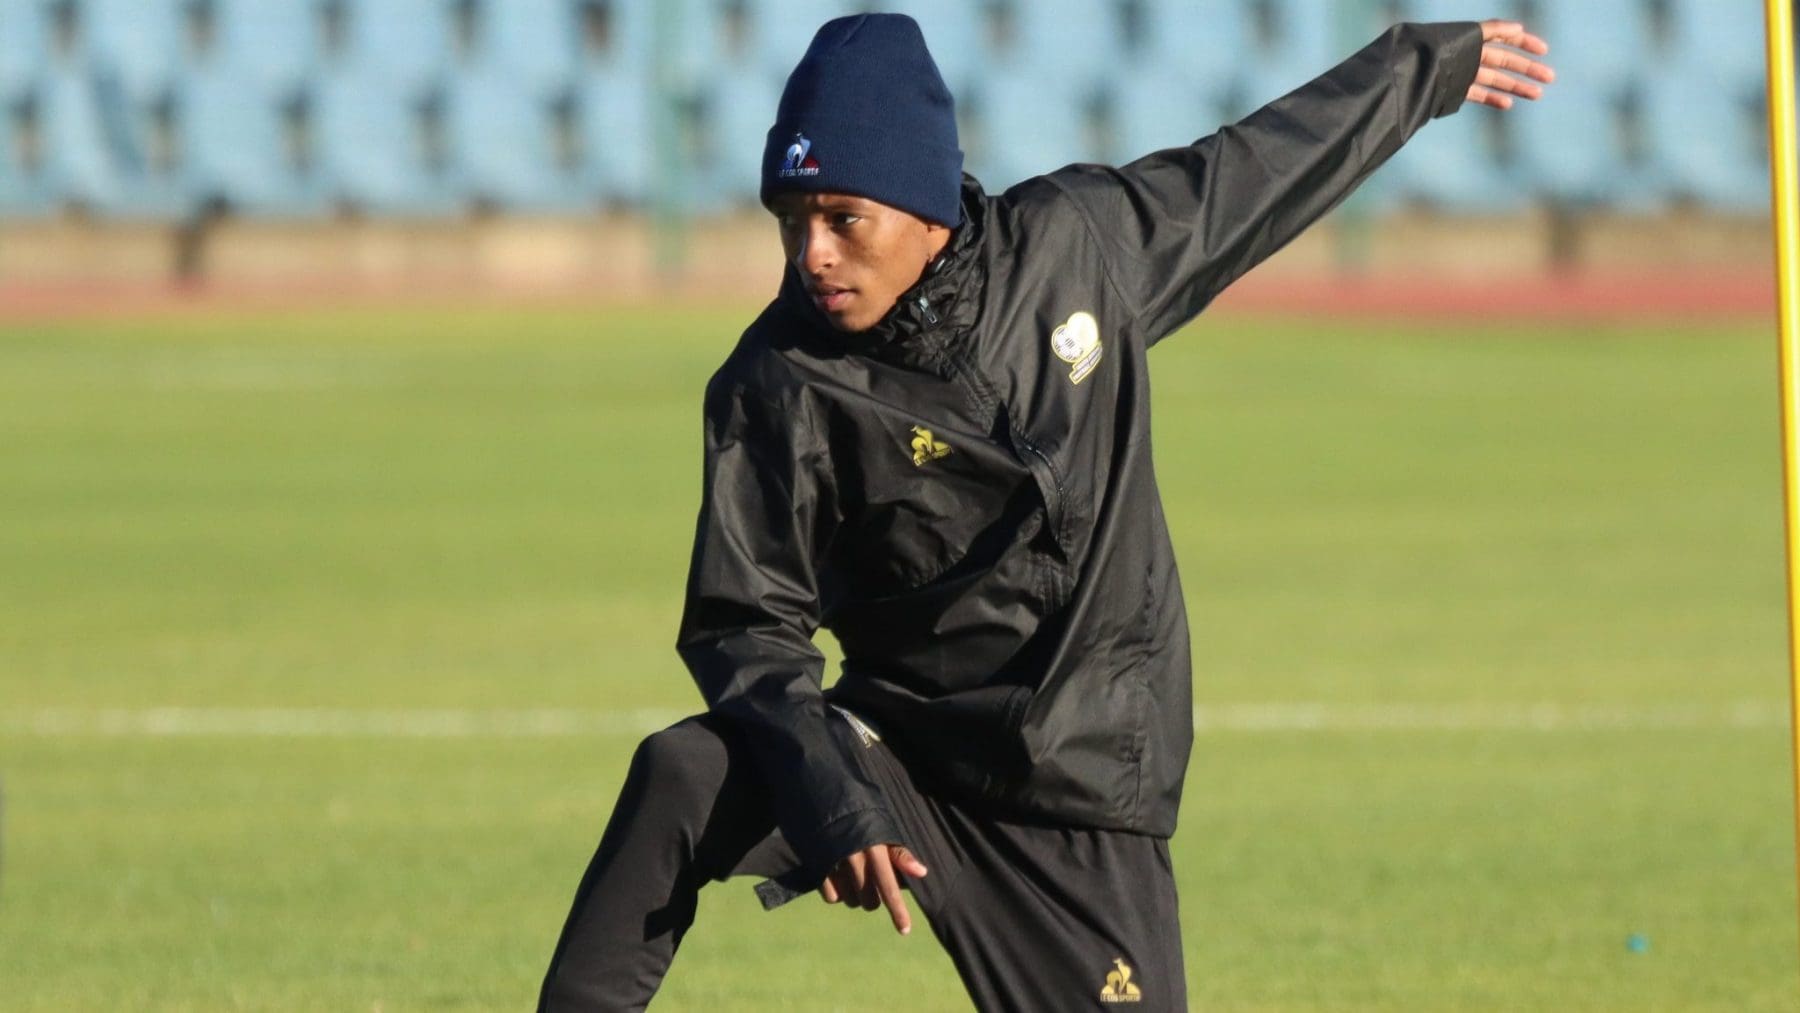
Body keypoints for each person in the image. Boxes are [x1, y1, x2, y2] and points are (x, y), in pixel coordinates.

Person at [540, 11, 1553, 1011]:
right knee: (683, 771)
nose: (813, 253)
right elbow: (745, 624)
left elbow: (1250, 175)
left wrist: (1418, 69)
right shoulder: (777, 381)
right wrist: (833, 797)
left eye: (843, 218)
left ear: (924, 207)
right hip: (896, 748)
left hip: (1074, 787)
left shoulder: (1077, 247)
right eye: (792, 220)